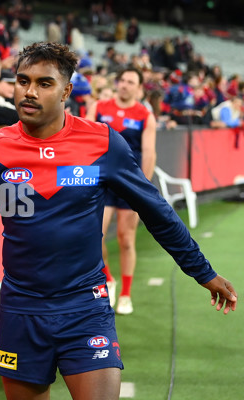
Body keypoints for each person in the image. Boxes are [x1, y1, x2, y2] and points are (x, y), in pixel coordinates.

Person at [0, 42, 236, 400]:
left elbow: (157, 212)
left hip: (86, 306)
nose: (29, 92)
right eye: (22, 80)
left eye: (44, 83)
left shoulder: (102, 143)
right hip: (22, 309)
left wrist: (202, 271)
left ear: (66, 90)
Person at [86, 66, 156, 314]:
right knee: (94, 236)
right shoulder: (99, 107)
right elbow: (84, 143)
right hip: (101, 182)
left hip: (129, 184)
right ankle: (109, 278)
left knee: (126, 239)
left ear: (138, 87)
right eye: (122, 80)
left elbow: (149, 153)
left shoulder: (145, 115)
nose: (125, 84)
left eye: (130, 81)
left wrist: (142, 189)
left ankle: (125, 294)